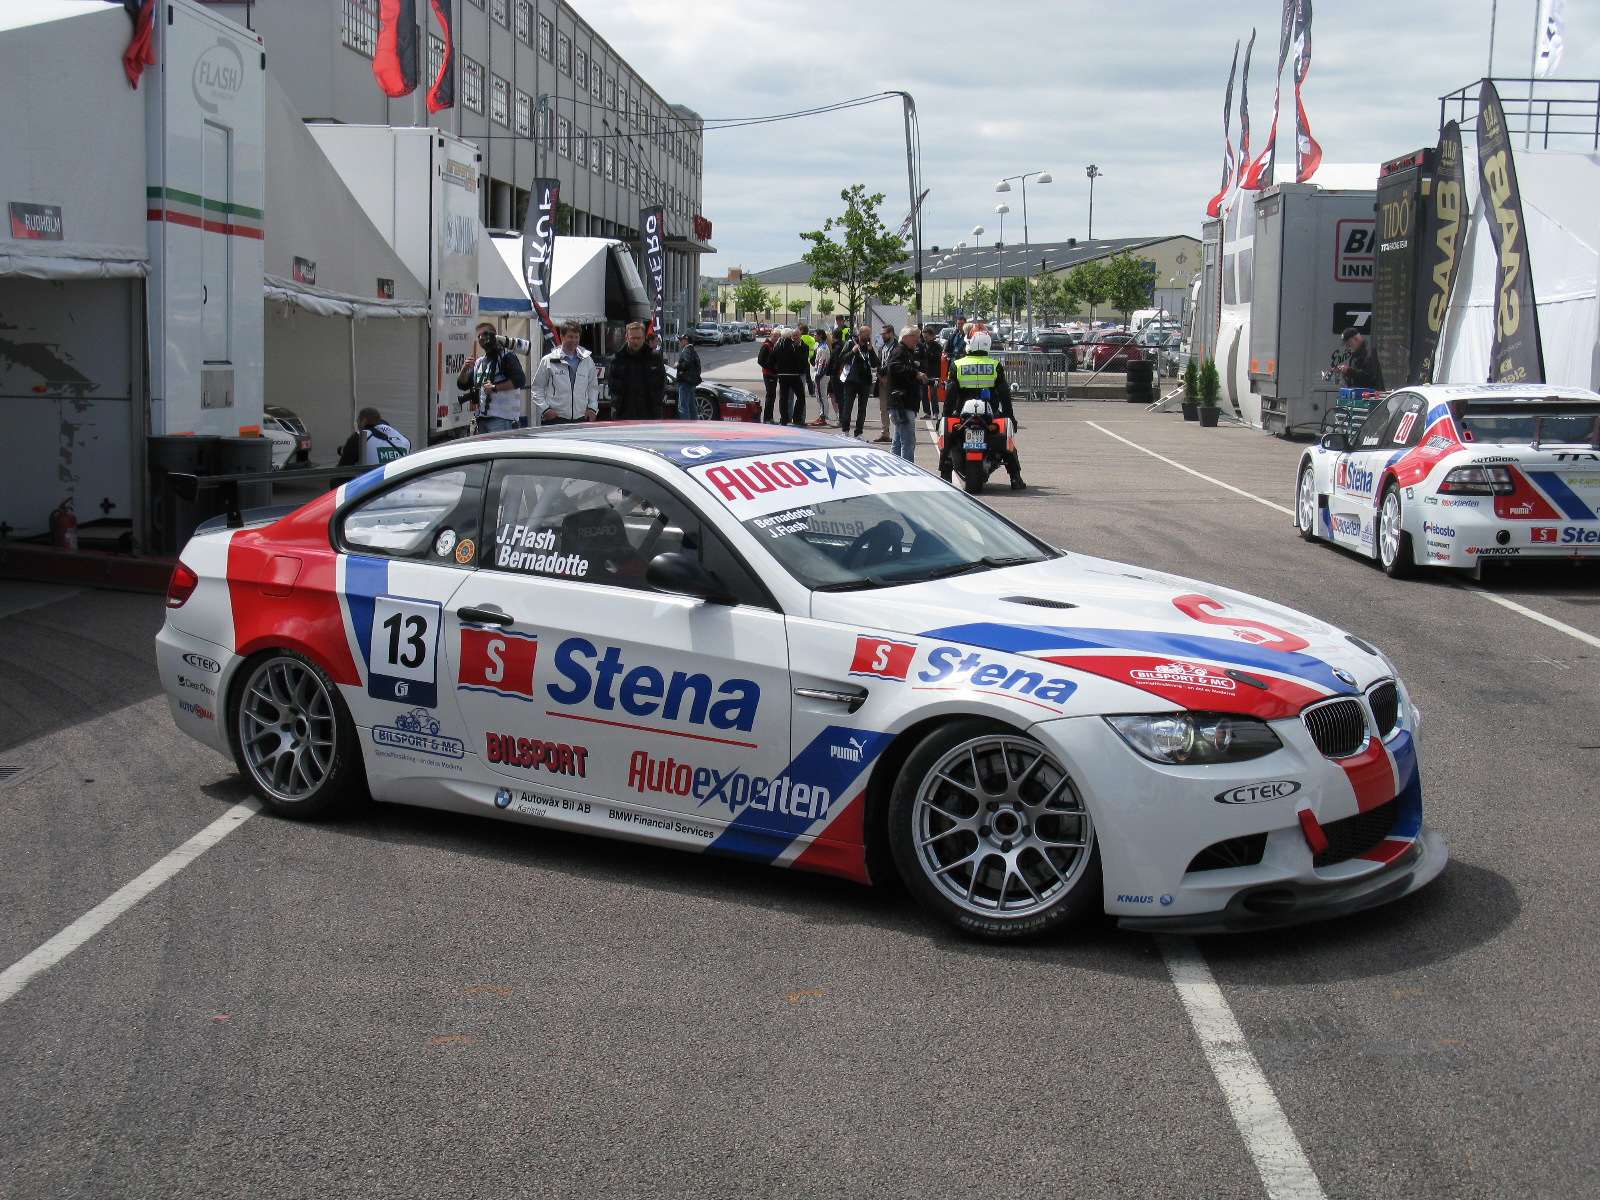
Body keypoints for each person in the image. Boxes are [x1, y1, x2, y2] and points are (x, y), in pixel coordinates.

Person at [942, 330, 1026, 489]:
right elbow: (1004, 394)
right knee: (1007, 442)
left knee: (947, 440)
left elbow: (951, 394)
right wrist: (1010, 416)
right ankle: (1015, 478)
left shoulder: (958, 365)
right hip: (990, 413)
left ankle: (944, 477)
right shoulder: (995, 365)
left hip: (962, 413)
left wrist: (945, 415)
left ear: (969, 344)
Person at [457, 322, 528, 432]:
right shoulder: (480, 362)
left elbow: (520, 380)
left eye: (485, 334)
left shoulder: (506, 356)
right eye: (478, 335)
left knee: (499, 449)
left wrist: (495, 388)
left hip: (503, 418)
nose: (481, 338)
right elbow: (463, 385)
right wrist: (464, 369)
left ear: (495, 335)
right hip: (482, 418)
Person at [530, 319, 601, 425]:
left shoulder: (587, 360)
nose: (574, 340)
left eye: (577, 337)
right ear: (562, 336)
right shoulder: (548, 360)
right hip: (556, 418)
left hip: (581, 418)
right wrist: (545, 410)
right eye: (570, 337)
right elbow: (537, 388)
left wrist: (592, 409)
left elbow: (593, 388)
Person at [883, 325, 927, 461]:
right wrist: (915, 372)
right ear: (906, 337)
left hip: (903, 405)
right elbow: (894, 367)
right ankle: (908, 473)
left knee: (897, 442)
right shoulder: (899, 352)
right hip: (902, 406)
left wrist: (919, 375)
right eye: (916, 337)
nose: (918, 340)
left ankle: (893, 469)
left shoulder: (906, 354)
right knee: (908, 443)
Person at [607, 320, 666, 421]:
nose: (635, 341)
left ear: (644, 338)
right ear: (626, 338)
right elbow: (612, 387)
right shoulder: (617, 360)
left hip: (650, 414)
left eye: (638, 338)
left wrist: (658, 405)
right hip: (623, 414)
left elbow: (661, 384)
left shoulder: (654, 358)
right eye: (632, 338)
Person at [836, 326, 877, 438]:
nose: (868, 336)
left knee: (862, 408)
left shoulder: (868, 347)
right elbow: (842, 359)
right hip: (851, 380)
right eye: (866, 334)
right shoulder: (850, 344)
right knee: (848, 406)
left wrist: (871, 350)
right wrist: (853, 352)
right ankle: (845, 430)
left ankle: (859, 432)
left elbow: (875, 363)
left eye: (869, 334)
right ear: (860, 334)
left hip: (865, 381)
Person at [337, 407, 411, 466]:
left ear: (363, 421)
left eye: (358, 422)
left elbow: (341, 475)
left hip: (374, 484)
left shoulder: (359, 438)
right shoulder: (404, 439)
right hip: (401, 483)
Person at [768, 326, 810, 426]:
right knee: (800, 396)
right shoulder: (794, 346)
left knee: (783, 398)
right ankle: (797, 418)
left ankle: (784, 419)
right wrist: (800, 371)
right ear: (790, 336)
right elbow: (800, 361)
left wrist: (776, 371)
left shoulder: (777, 346)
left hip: (782, 375)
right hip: (794, 375)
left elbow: (770, 362)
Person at [673, 331, 702, 420]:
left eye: (681, 340)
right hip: (692, 381)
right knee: (691, 405)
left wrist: (678, 365)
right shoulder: (693, 351)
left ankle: (685, 424)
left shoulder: (686, 351)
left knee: (683, 406)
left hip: (686, 381)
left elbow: (686, 363)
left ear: (686, 340)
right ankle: (694, 423)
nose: (679, 342)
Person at [807, 332, 833, 426]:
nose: (814, 336)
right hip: (820, 375)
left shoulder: (823, 348)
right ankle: (822, 415)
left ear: (820, 336)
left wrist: (818, 375)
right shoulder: (820, 347)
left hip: (822, 376)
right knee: (820, 396)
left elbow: (823, 363)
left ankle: (823, 416)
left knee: (822, 396)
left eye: (815, 335)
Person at [919, 323, 944, 420]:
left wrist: (927, 352)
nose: (925, 339)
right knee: (923, 393)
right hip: (925, 372)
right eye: (924, 337)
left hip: (934, 373)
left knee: (934, 393)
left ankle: (936, 412)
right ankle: (927, 412)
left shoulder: (937, 346)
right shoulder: (923, 345)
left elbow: (936, 357)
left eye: (927, 337)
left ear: (932, 336)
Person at [757, 328, 779, 422]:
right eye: (774, 336)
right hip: (768, 374)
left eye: (777, 337)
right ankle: (767, 418)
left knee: (772, 396)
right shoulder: (766, 346)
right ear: (770, 336)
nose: (776, 338)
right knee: (770, 396)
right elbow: (760, 360)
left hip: (773, 374)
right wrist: (770, 369)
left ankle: (769, 417)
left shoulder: (774, 345)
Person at [797, 323, 818, 400]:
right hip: (808, 360)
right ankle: (811, 391)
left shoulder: (800, 338)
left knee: (799, 377)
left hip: (800, 360)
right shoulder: (812, 339)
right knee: (808, 377)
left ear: (801, 330)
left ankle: (800, 391)